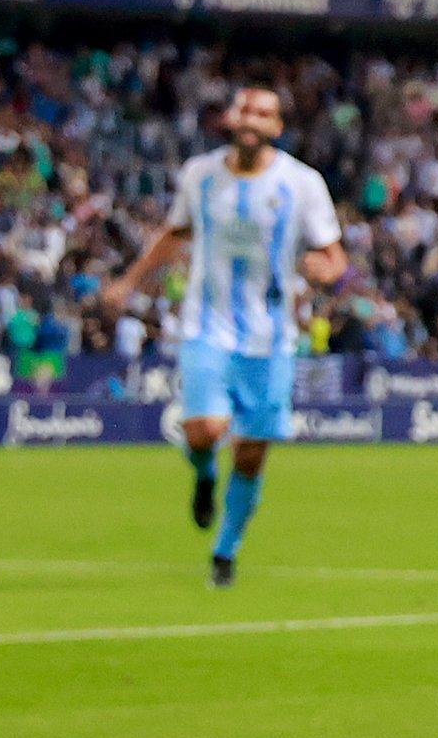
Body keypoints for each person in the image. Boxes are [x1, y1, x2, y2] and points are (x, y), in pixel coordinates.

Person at [96, 80, 343, 587]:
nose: (251, 119)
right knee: (204, 429)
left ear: (276, 127)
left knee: (251, 452)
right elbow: (175, 233)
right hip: (206, 326)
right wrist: (128, 281)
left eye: (263, 113)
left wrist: (325, 268)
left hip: (271, 338)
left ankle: (225, 552)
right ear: (231, 118)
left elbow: (334, 255)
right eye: (244, 109)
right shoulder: (200, 175)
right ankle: (205, 473)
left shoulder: (302, 184)